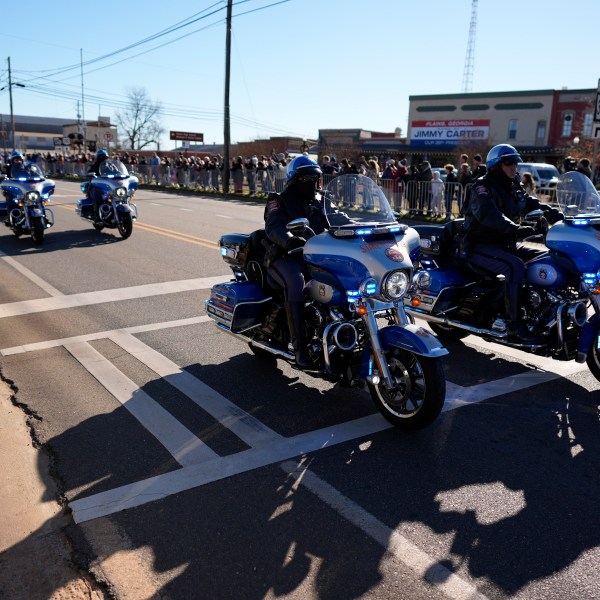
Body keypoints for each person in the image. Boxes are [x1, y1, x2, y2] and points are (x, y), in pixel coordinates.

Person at [462, 144, 563, 341]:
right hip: (480, 245)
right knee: (515, 266)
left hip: (504, 244)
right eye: (508, 163)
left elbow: (533, 204)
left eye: (515, 163)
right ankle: (514, 322)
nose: (513, 167)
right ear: (496, 165)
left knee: (548, 258)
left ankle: (538, 309)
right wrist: (515, 229)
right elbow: (489, 215)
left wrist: (561, 217)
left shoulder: (513, 186)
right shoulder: (482, 187)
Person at [263, 156, 326, 369]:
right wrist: (288, 239)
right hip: (286, 257)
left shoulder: (322, 201)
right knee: (296, 283)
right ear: (295, 179)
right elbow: (274, 226)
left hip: (318, 257)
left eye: (316, 178)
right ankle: (301, 350)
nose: (313, 183)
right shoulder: (278, 200)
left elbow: (341, 218)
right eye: (307, 178)